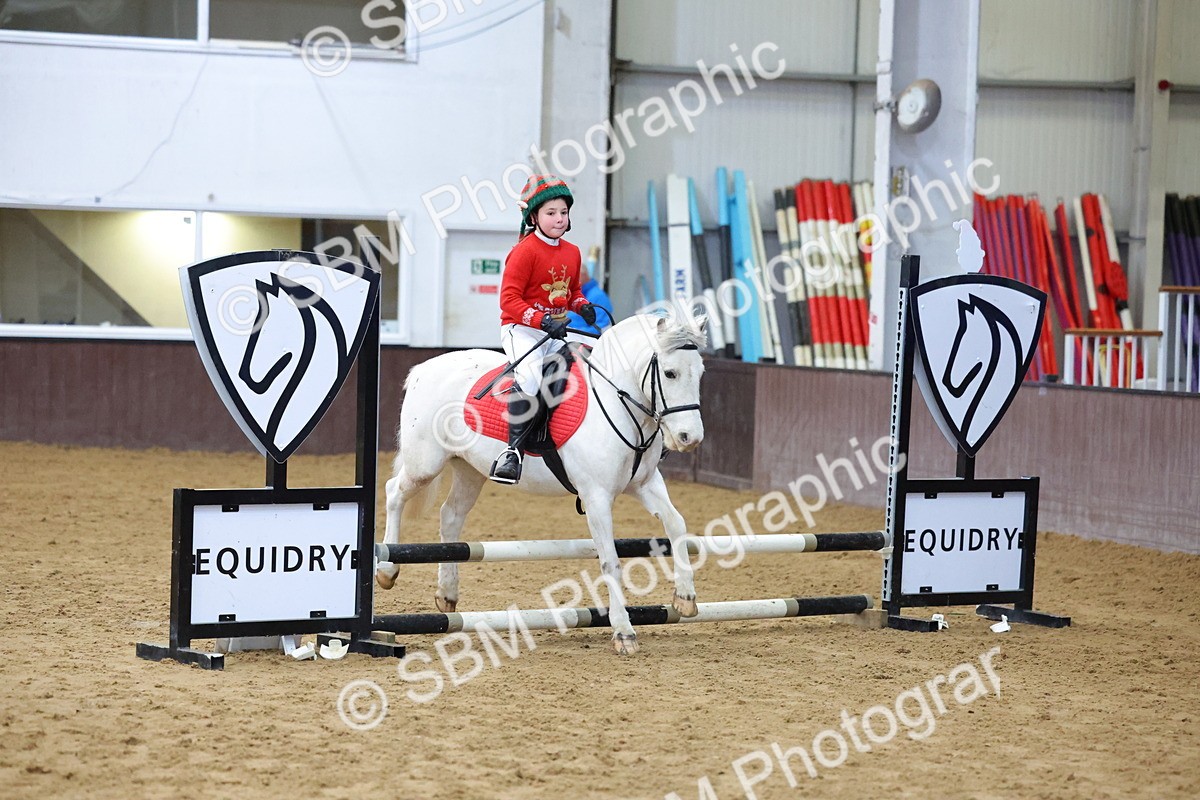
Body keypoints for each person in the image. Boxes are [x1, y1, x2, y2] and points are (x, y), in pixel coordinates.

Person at [490, 175, 598, 484]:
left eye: (563, 212)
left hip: (557, 330)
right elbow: (508, 300)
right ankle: (511, 452)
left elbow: (572, 291)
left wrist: (582, 306)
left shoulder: (573, 252)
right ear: (534, 217)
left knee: (596, 357)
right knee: (531, 376)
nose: (559, 219)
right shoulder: (524, 252)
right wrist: (541, 322)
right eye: (551, 213)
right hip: (522, 329)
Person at [565, 258, 613, 333]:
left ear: (583, 275)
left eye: (573, 276)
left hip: (584, 342)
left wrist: (575, 333)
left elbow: (602, 327)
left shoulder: (598, 296)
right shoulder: (575, 294)